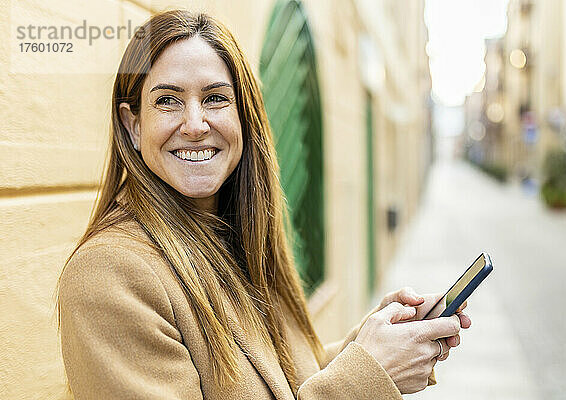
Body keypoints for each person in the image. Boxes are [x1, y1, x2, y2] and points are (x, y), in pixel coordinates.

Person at [56, 10, 470, 400]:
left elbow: (279, 383)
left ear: (244, 116)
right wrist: (367, 377)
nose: (196, 124)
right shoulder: (110, 275)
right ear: (133, 125)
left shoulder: (237, 235)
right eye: (168, 100)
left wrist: (370, 345)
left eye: (216, 98)